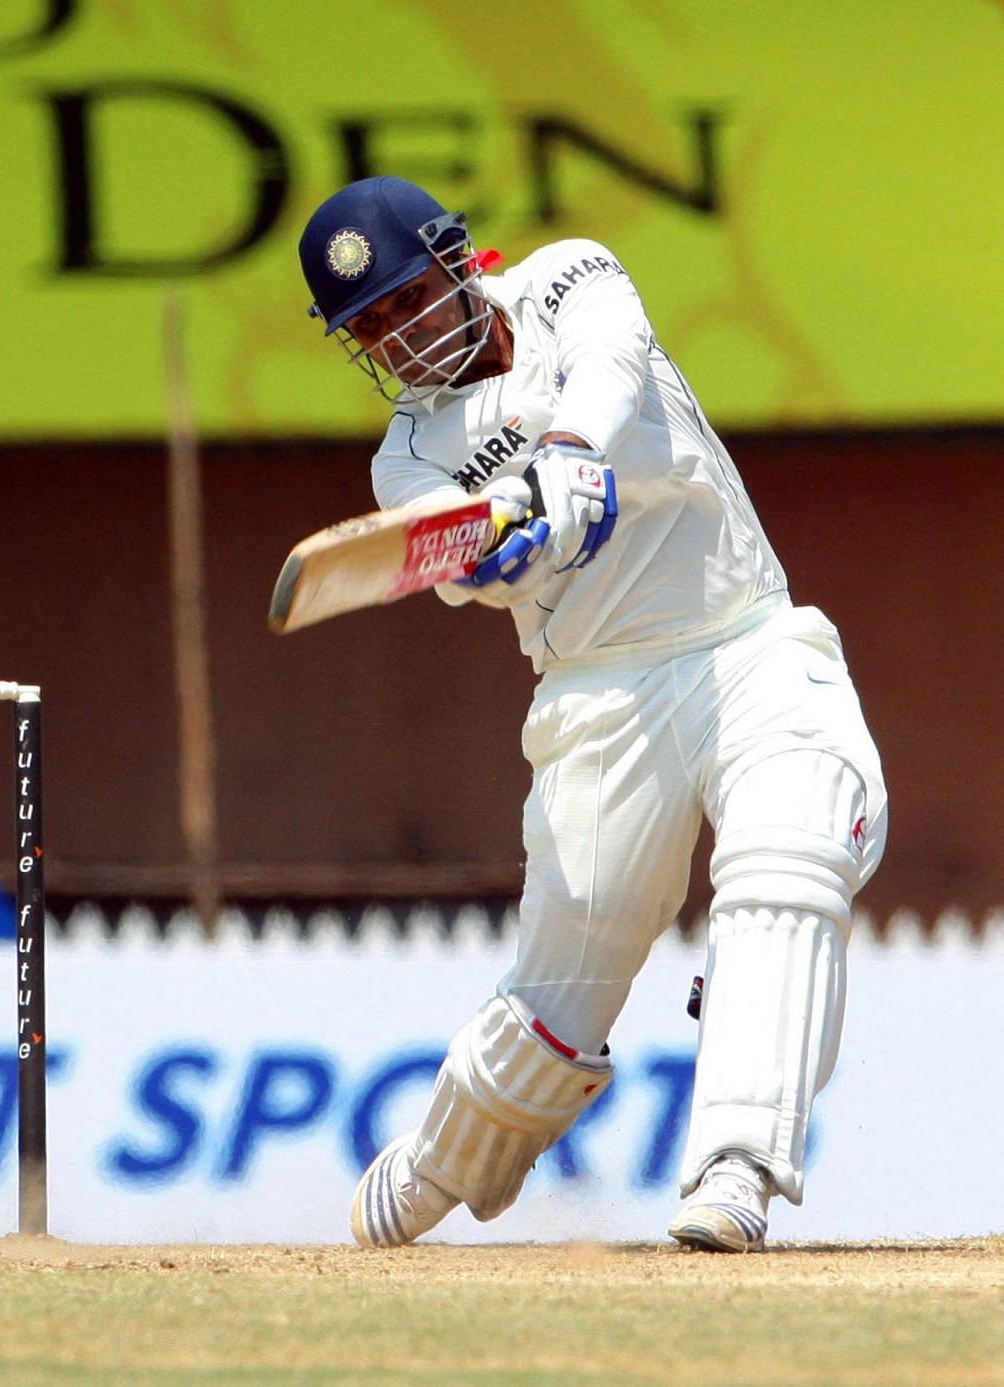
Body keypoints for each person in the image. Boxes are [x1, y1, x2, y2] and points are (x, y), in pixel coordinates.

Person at [298, 177, 886, 1252]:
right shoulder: (410, 459)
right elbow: (462, 566)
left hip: (746, 642)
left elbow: (614, 362)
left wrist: (567, 456)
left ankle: (737, 1168)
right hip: (599, 698)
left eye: (406, 297)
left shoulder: (568, 275)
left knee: (790, 858)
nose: (398, 334)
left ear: (456, 261)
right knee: (561, 1002)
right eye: (369, 327)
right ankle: (445, 1159)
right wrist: (514, 540)